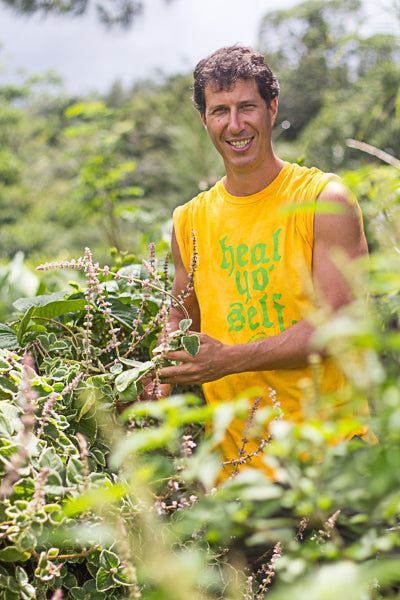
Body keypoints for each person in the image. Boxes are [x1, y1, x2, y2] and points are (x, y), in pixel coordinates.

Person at [151, 45, 373, 479]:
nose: (235, 125)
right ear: (204, 119)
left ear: (271, 108)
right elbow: (181, 317)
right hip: (242, 478)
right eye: (220, 111)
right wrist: (155, 376)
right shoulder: (189, 220)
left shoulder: (322, 200)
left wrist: (228, 359)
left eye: (247, 107)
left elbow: (334, 327)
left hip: (337, 462)